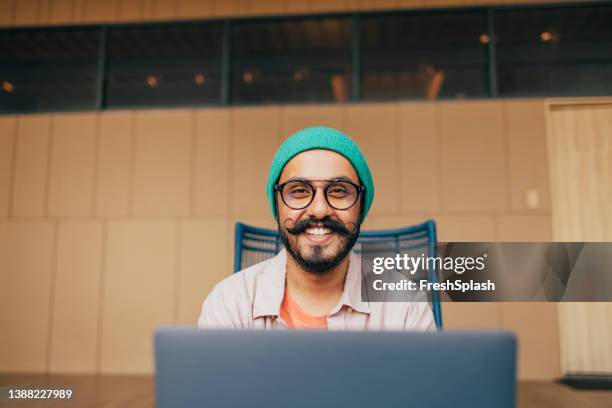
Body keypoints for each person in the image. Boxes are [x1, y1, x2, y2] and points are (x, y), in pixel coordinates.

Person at [198, 126, 434, 330]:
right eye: (299, 190)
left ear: (360, 207)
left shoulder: (405, 306)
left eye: (339, 191)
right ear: (277, 205)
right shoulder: (229, 303)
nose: (319, 210)